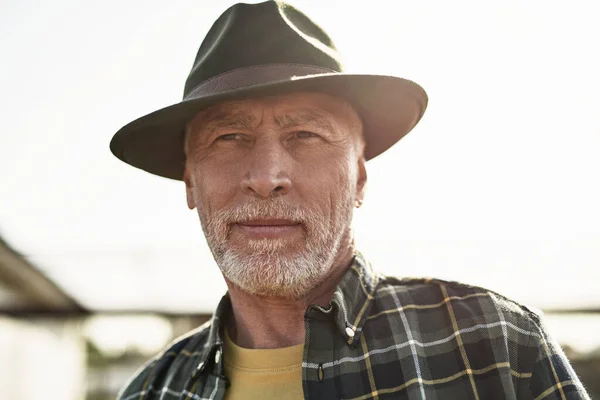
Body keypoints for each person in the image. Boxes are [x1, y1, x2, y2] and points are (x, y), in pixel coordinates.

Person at [110, 1, 590, 399]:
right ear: (191, 182)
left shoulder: (497, 348)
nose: (266, 177)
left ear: (359, 177)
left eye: (305, 134)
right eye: (230, 137)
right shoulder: (151, 391)